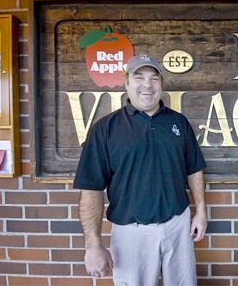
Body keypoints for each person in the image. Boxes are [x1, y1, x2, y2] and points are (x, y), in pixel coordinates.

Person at [73, 54, 207, 286]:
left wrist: (201, 211)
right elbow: (91, 190)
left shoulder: (178, 123)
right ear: (126, 83)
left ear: (161, 85)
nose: (147, 85)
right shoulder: (106, 129)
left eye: (154, 79)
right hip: (131, 232)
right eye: (139, 77)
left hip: (178, 225)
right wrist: (93, 246)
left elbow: (194, 168)